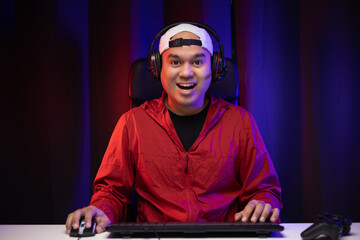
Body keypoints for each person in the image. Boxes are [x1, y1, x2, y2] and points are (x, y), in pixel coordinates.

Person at [66, 22, 282, 235]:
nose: (186, 73)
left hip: (222, 236)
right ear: (158, 68)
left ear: (215, 68)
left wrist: (263, 203)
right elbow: (111, 192)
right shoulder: (132, 124)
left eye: (197, 62)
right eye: (175, 62)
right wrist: (100, 209)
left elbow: (265, 190)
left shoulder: (241, 123)